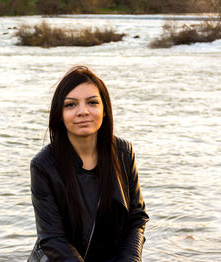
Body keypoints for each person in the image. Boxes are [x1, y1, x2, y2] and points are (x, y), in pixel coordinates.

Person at [28, 66, 149, 262]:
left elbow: (137, 218)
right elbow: (52, 238)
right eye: (70, 105)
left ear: (105, 109)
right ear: (59, 114)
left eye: (92, 102)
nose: (83, 111)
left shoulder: (124, 153)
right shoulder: (43, 166)